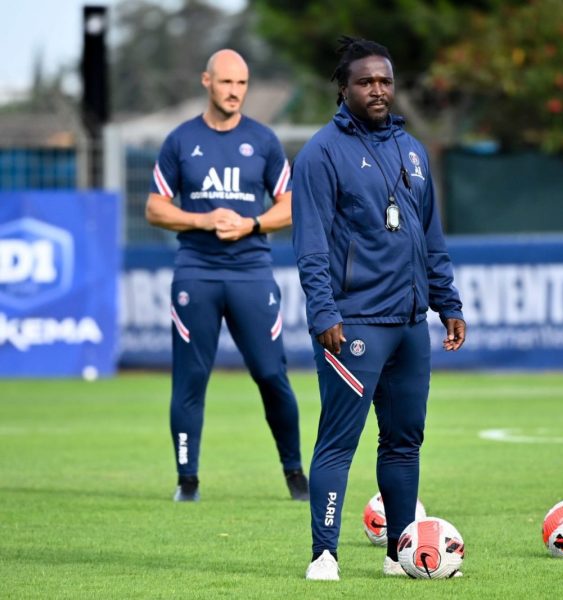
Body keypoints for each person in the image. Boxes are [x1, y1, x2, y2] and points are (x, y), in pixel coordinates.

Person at [292, 37, 466, 581]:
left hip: (411, 325)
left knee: (404, 442)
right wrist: (324, 314)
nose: (378, 90)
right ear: (343, 88)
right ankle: (324, 554)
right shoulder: (321, 152)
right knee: (338, 442)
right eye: (366, 81)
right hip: (355, 323)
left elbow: (430, 237)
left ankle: (398, 553)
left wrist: (447, 301)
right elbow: (311, 244)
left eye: (385, 81)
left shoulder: (412, 150)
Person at [145, 49, 308, 502]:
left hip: (251, 272)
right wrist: (203, 219)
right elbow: (155, 207)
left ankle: (295, 474)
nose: (234, 92)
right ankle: (187, 481)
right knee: (191, 381)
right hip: (195, 271)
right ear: (206, 81)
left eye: (241, 84)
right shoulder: (180, 140)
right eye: (226, 83)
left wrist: (250, 223)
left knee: (272, 375)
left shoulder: (264, 140)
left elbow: (290, 205)